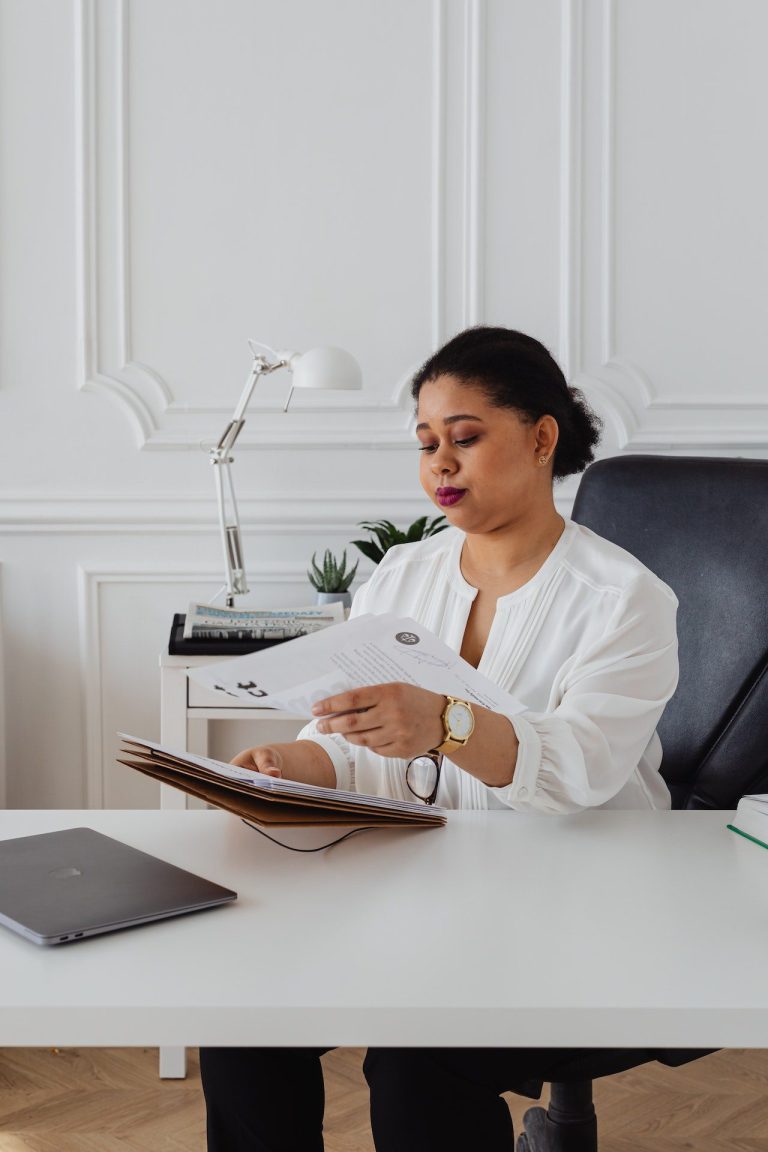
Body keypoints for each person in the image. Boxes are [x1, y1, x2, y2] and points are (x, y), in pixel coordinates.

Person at [199, 326, 679, 1152]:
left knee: (418, 1057)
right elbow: (352, 740)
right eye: (426, 445)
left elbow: (577, 770)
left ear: (540, 438)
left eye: (463, 438)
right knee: (246, 1018)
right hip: (427, 898)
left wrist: (446, 724)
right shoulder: (403, 577)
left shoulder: (625, 600)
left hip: (581, 908)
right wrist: (291, 767)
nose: (440, 465)